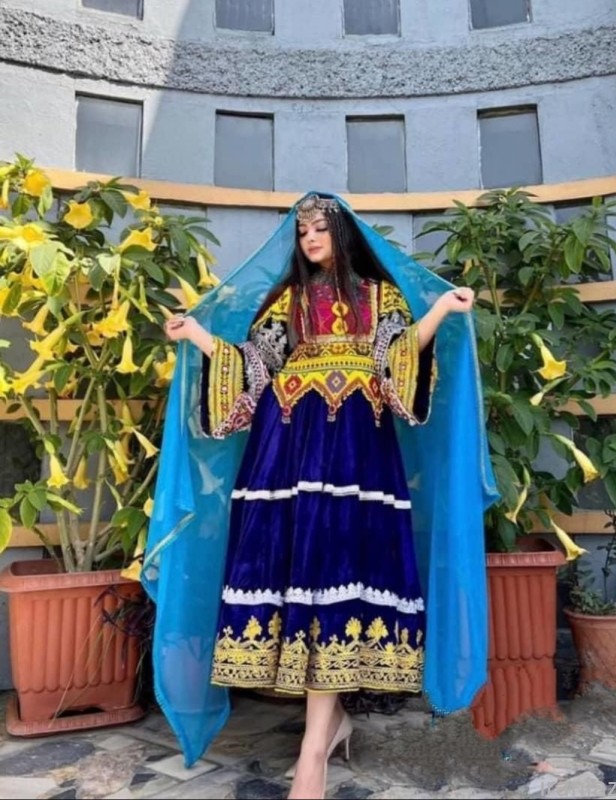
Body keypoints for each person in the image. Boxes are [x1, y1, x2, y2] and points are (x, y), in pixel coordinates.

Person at [143, 193, 498, 800]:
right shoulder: (286, 301)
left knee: (335, 577)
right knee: (300, 580)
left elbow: (398, 364)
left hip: (356, 457)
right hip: (285, 454)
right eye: (302, 230)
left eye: (320, 228)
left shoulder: (381, 298)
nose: (309, 238)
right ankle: (326, 731)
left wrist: (440, 308)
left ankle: (316, 747)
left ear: (342, 233)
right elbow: (253, 368)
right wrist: (199, 335)